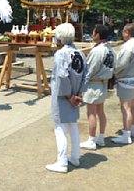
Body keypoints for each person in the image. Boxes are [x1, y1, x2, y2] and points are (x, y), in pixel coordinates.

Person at [46, 23, 88, 174]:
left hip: (64, 97)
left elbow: (62, 77)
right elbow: (86, 75)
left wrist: (69, 96)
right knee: (72, 126)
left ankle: (62, 162)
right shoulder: (80, 53)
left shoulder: (61, 54)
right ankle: (75, 157)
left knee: (60, 129)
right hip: (75, 95)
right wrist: (78, 94)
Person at [80, 25, 116, 150]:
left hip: (94, 84)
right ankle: (101, 137)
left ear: (98, 35)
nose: (92, 34)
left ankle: (91, 140)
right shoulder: (111, 49)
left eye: (94, 33)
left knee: (91, 113)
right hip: (104, 83)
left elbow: (90, 69)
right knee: (100, 111)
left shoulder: (97, 51)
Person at [112, 23, 134, 144]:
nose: (122, 33)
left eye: (123, 31)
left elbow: (121, 64)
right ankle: (132, 129)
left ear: (127, 33)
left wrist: (113, 72)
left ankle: (126, 135)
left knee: (125, 107)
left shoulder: (129, 46)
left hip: (127, 78)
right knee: (132, 105)